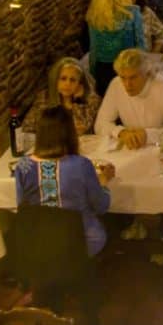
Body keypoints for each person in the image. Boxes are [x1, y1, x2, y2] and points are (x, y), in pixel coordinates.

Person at [13, 106, 115, 257]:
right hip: (81, 242)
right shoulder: (81, 165)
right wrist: (103, 182)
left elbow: (22, 206)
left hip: (38, 242)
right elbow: (101, 206)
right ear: (69, 134)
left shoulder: (23, 166)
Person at [94, 48, 163, 150]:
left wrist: (148, 135)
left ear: (146, 73)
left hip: (161, 147)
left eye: (133, 77)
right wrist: (121, 132)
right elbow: (100, 124)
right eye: (123, 77)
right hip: (132, 148)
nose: (127, 85)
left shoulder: (162, 86)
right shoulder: (116, 84)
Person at [86, 0, 146, 96]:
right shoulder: (132, 13)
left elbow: (94, 51)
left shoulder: (94, 16)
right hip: (128, 70)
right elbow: (141, 47)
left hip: (102, 72)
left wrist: (92, 77)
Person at [23, 58, 102, 136]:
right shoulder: (44, 97)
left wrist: (76, 101)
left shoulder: (91, 100)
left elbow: (81, 129)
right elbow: (28, 127)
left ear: (80, 83)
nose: (68, 84)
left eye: (73, 80)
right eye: (63, 79)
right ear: (55, 80)